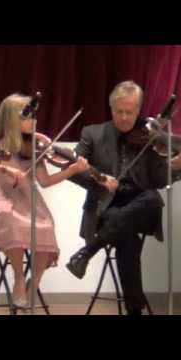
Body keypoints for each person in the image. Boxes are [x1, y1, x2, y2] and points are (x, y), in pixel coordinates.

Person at [66, 80, 181, 315]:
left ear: (139, 109)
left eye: (130, 112)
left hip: (141, 207)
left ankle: (87, 252)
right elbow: (73, 172)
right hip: (104, 208)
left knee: (150, 198)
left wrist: (176, 166)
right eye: (119, 111)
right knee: (127, 239)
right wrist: (99, 179)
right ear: (111, 108)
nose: (125, 117)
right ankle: (134, 311)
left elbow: (160, 181)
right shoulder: (93, 133)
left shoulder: (151, 136)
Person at [0, 93, 89, 308]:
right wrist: (3, 167)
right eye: (27, 117)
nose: (33, 122)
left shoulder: (33, 149)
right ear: (11, 120)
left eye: (34, 117)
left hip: (32, 203)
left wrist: (72, 169)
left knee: (45, 226)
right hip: (4, 202)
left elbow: (45, 181)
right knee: (13, 223)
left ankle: (33, 283)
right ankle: (17, 277)